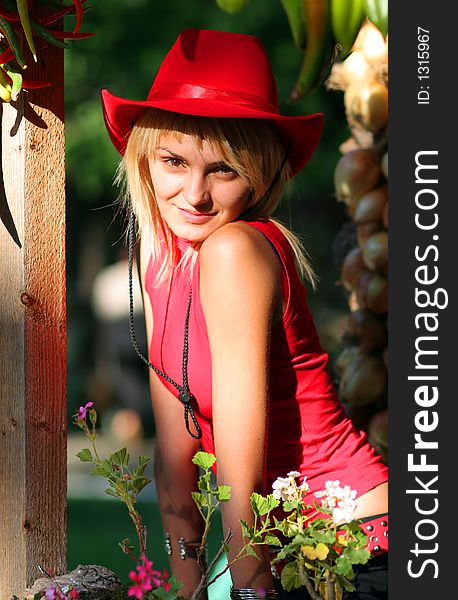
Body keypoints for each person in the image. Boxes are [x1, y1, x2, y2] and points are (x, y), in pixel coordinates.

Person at [101, 29, 388, 600]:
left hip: (360, 549)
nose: (195, 195)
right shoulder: (163, 262)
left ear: (259, 174)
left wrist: (250, 587)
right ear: (144, 159)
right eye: (174, 161)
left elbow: (239, 465)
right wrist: (187, 587)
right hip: (287, 558)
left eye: (224, 170)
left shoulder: (235, 251)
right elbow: (175, 457)